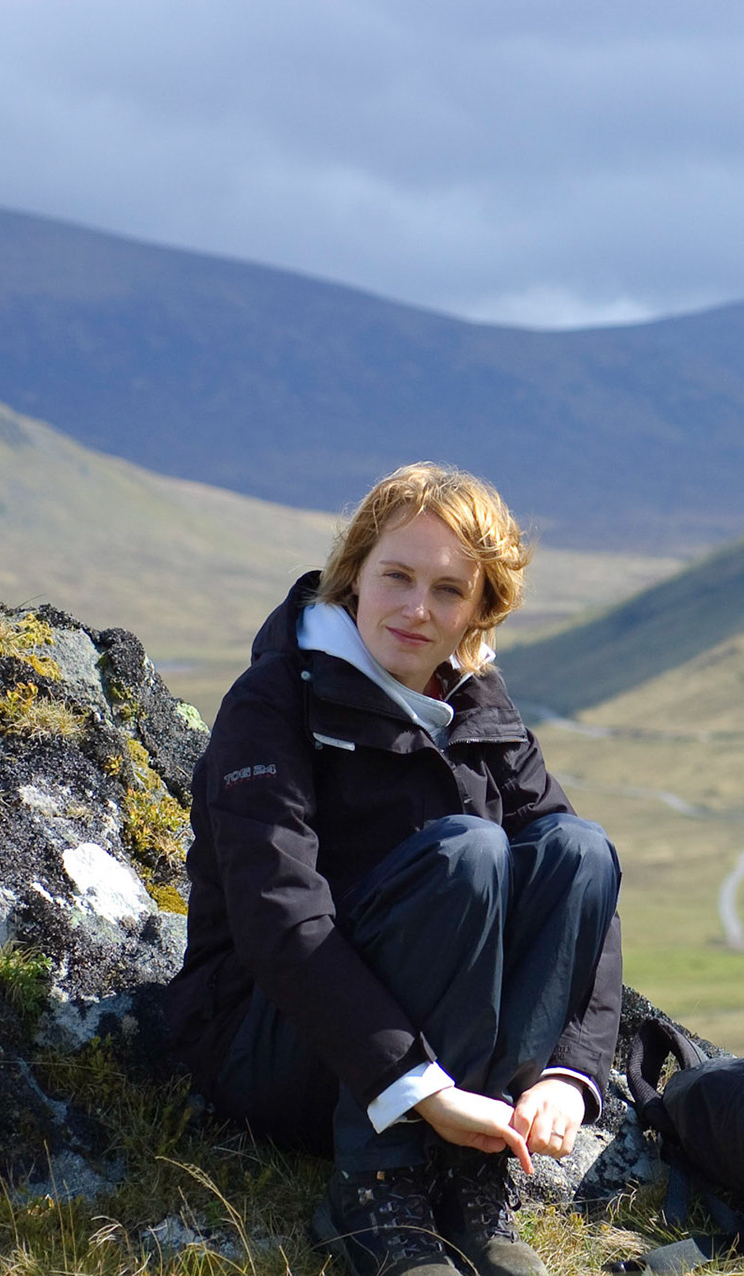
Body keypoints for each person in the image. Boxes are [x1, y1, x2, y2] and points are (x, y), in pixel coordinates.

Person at [165, 463, 622, 1276]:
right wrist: (419, 1086)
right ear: (353, 576)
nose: (417, 609)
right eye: (398, 576)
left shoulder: (478, 705)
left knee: (579, 850)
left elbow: (579, 893)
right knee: (469, 854)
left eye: (449, 592)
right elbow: (281, 921)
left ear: (480, 612)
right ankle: (377, 1188)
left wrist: (569, 1074)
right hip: (276, 1045)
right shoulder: (274, 703)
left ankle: (474, 1173)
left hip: (440, 1063)